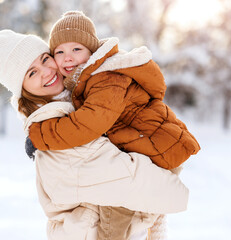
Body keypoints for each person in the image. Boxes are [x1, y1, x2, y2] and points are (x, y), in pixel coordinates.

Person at [0, 29, 189, 240]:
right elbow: (138, 184)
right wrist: (172, 181)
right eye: (31, 73)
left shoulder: (81, 102)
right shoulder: (52, 129)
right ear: (22, 88)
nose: (46, 71)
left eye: (45, 59)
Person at [27, 10, 201, 239]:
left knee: (113, 203)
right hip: (149, 143)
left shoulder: (106, 78)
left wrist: (40, 136)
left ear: (92, 51)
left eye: (76, 49)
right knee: (138, 203)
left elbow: (89, 123)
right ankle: (156, 231)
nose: (67, 57)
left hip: (155, 145)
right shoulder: (86, 79)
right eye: (60, 51)